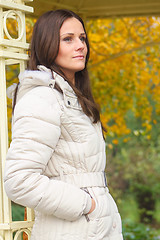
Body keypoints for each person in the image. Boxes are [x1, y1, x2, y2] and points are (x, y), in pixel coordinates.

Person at [4, 9, 123, 240]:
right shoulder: (42, 99)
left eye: (82, 38)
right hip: (73, 228)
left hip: (96, 227)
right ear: (47, 44)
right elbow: (19, 181)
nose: (80, 45)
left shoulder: (73, 99)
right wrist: (86, 204)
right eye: (68, 39)